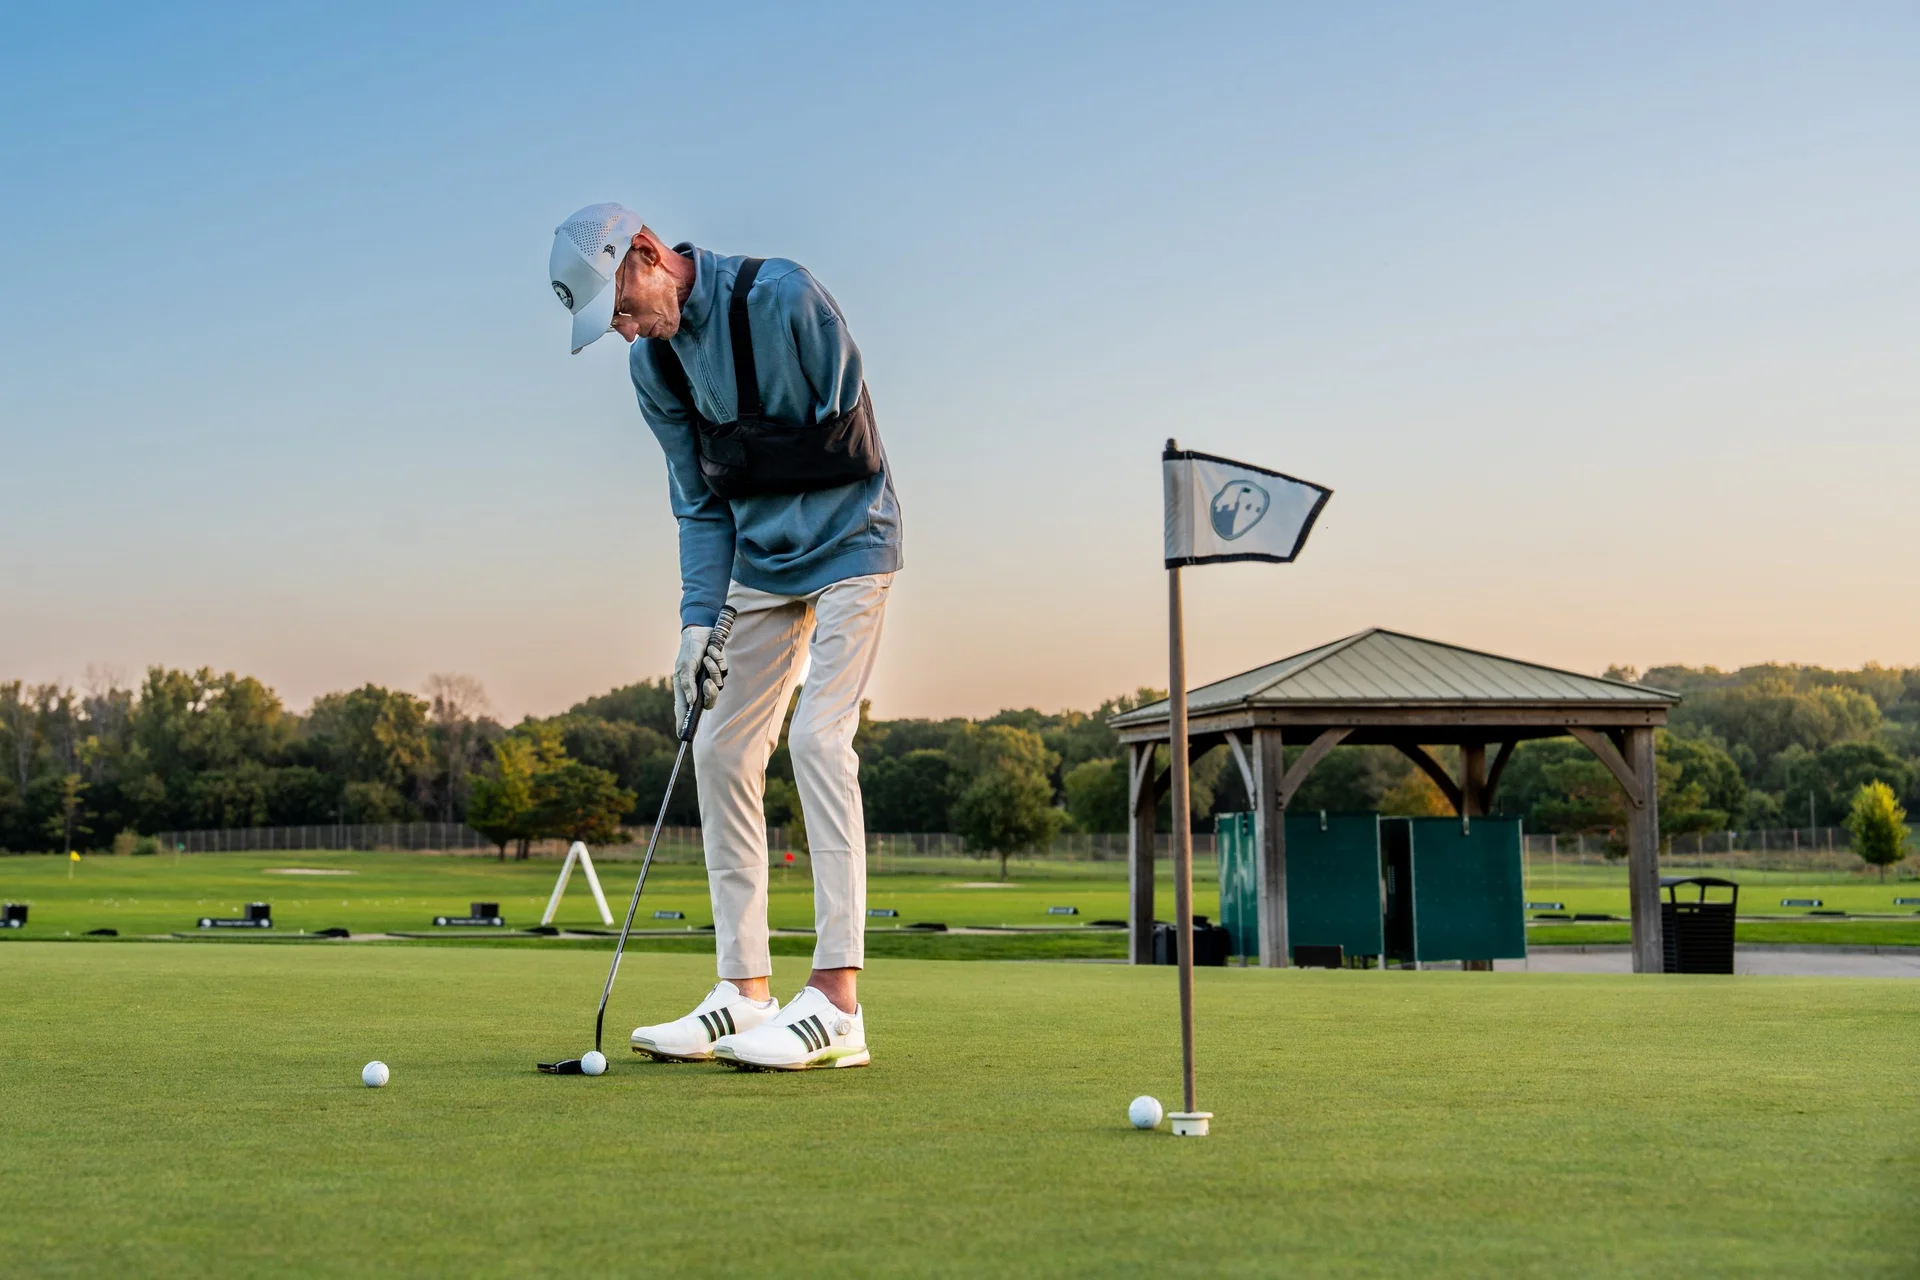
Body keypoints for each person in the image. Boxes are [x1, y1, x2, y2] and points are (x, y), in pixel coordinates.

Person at [547, 204, 902, 1070]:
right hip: (759, 567)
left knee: (820, 740)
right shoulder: (654, 373)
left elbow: (840, 440)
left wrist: (761, 468)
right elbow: (699, 503)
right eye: (612, 325)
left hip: (855, 542)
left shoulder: (786, 298)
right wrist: (695, 624)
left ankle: (838, 1001)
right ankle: (745, 991)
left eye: (623, 307)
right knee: (718, 750)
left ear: (646, 254)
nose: (626, 331)